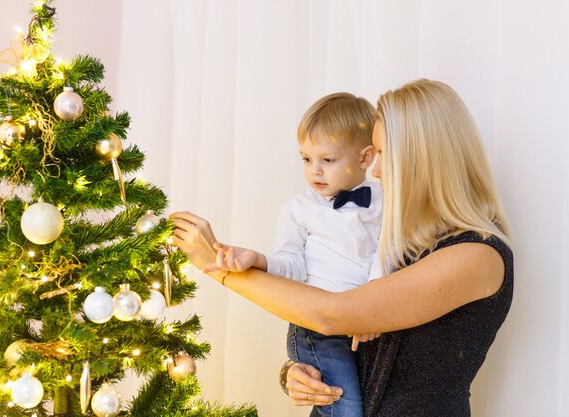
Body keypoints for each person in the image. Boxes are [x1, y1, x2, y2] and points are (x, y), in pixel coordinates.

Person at [170, 79, 513, 417]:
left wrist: (217, 267)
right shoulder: (401, 241)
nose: (374, 170)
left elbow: (334, 314)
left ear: (424, 157)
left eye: (382, 153)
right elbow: (355, 345)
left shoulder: (478, 254)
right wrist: (297, 373)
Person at [203, 92, 382, 417]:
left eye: (327, 160)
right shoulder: (298, 210)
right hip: (316, 330)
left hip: (364, 323)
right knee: (347, 407)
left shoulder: (385, 202)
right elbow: (292, 267)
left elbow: (388, 256)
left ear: (365, 157)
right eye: (306, 159)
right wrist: (258, 260)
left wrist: (371, 308)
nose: (315, 171)